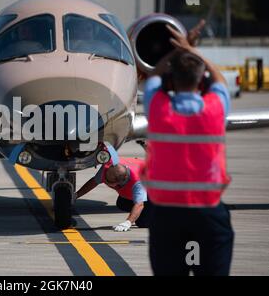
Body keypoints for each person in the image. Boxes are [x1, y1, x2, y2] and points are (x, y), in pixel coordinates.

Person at [141, 20, 234, 275]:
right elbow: (220, 81)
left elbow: (154, 77)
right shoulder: (215, 110)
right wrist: (190, 49)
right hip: (208, 211)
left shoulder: (158, 109)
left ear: (171, 81)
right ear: (200, 81)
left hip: (166, 214)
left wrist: (176, 50)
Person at [75, 154, 151, 232]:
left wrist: (128, 222)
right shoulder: (108, 168)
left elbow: (139, 204)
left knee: (143, 222)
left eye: (108, 182)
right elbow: (94, 182)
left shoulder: (138, 182)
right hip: (134, 175)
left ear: (119, 182)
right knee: (122, 203)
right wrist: (76, 195)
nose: (104, 181)